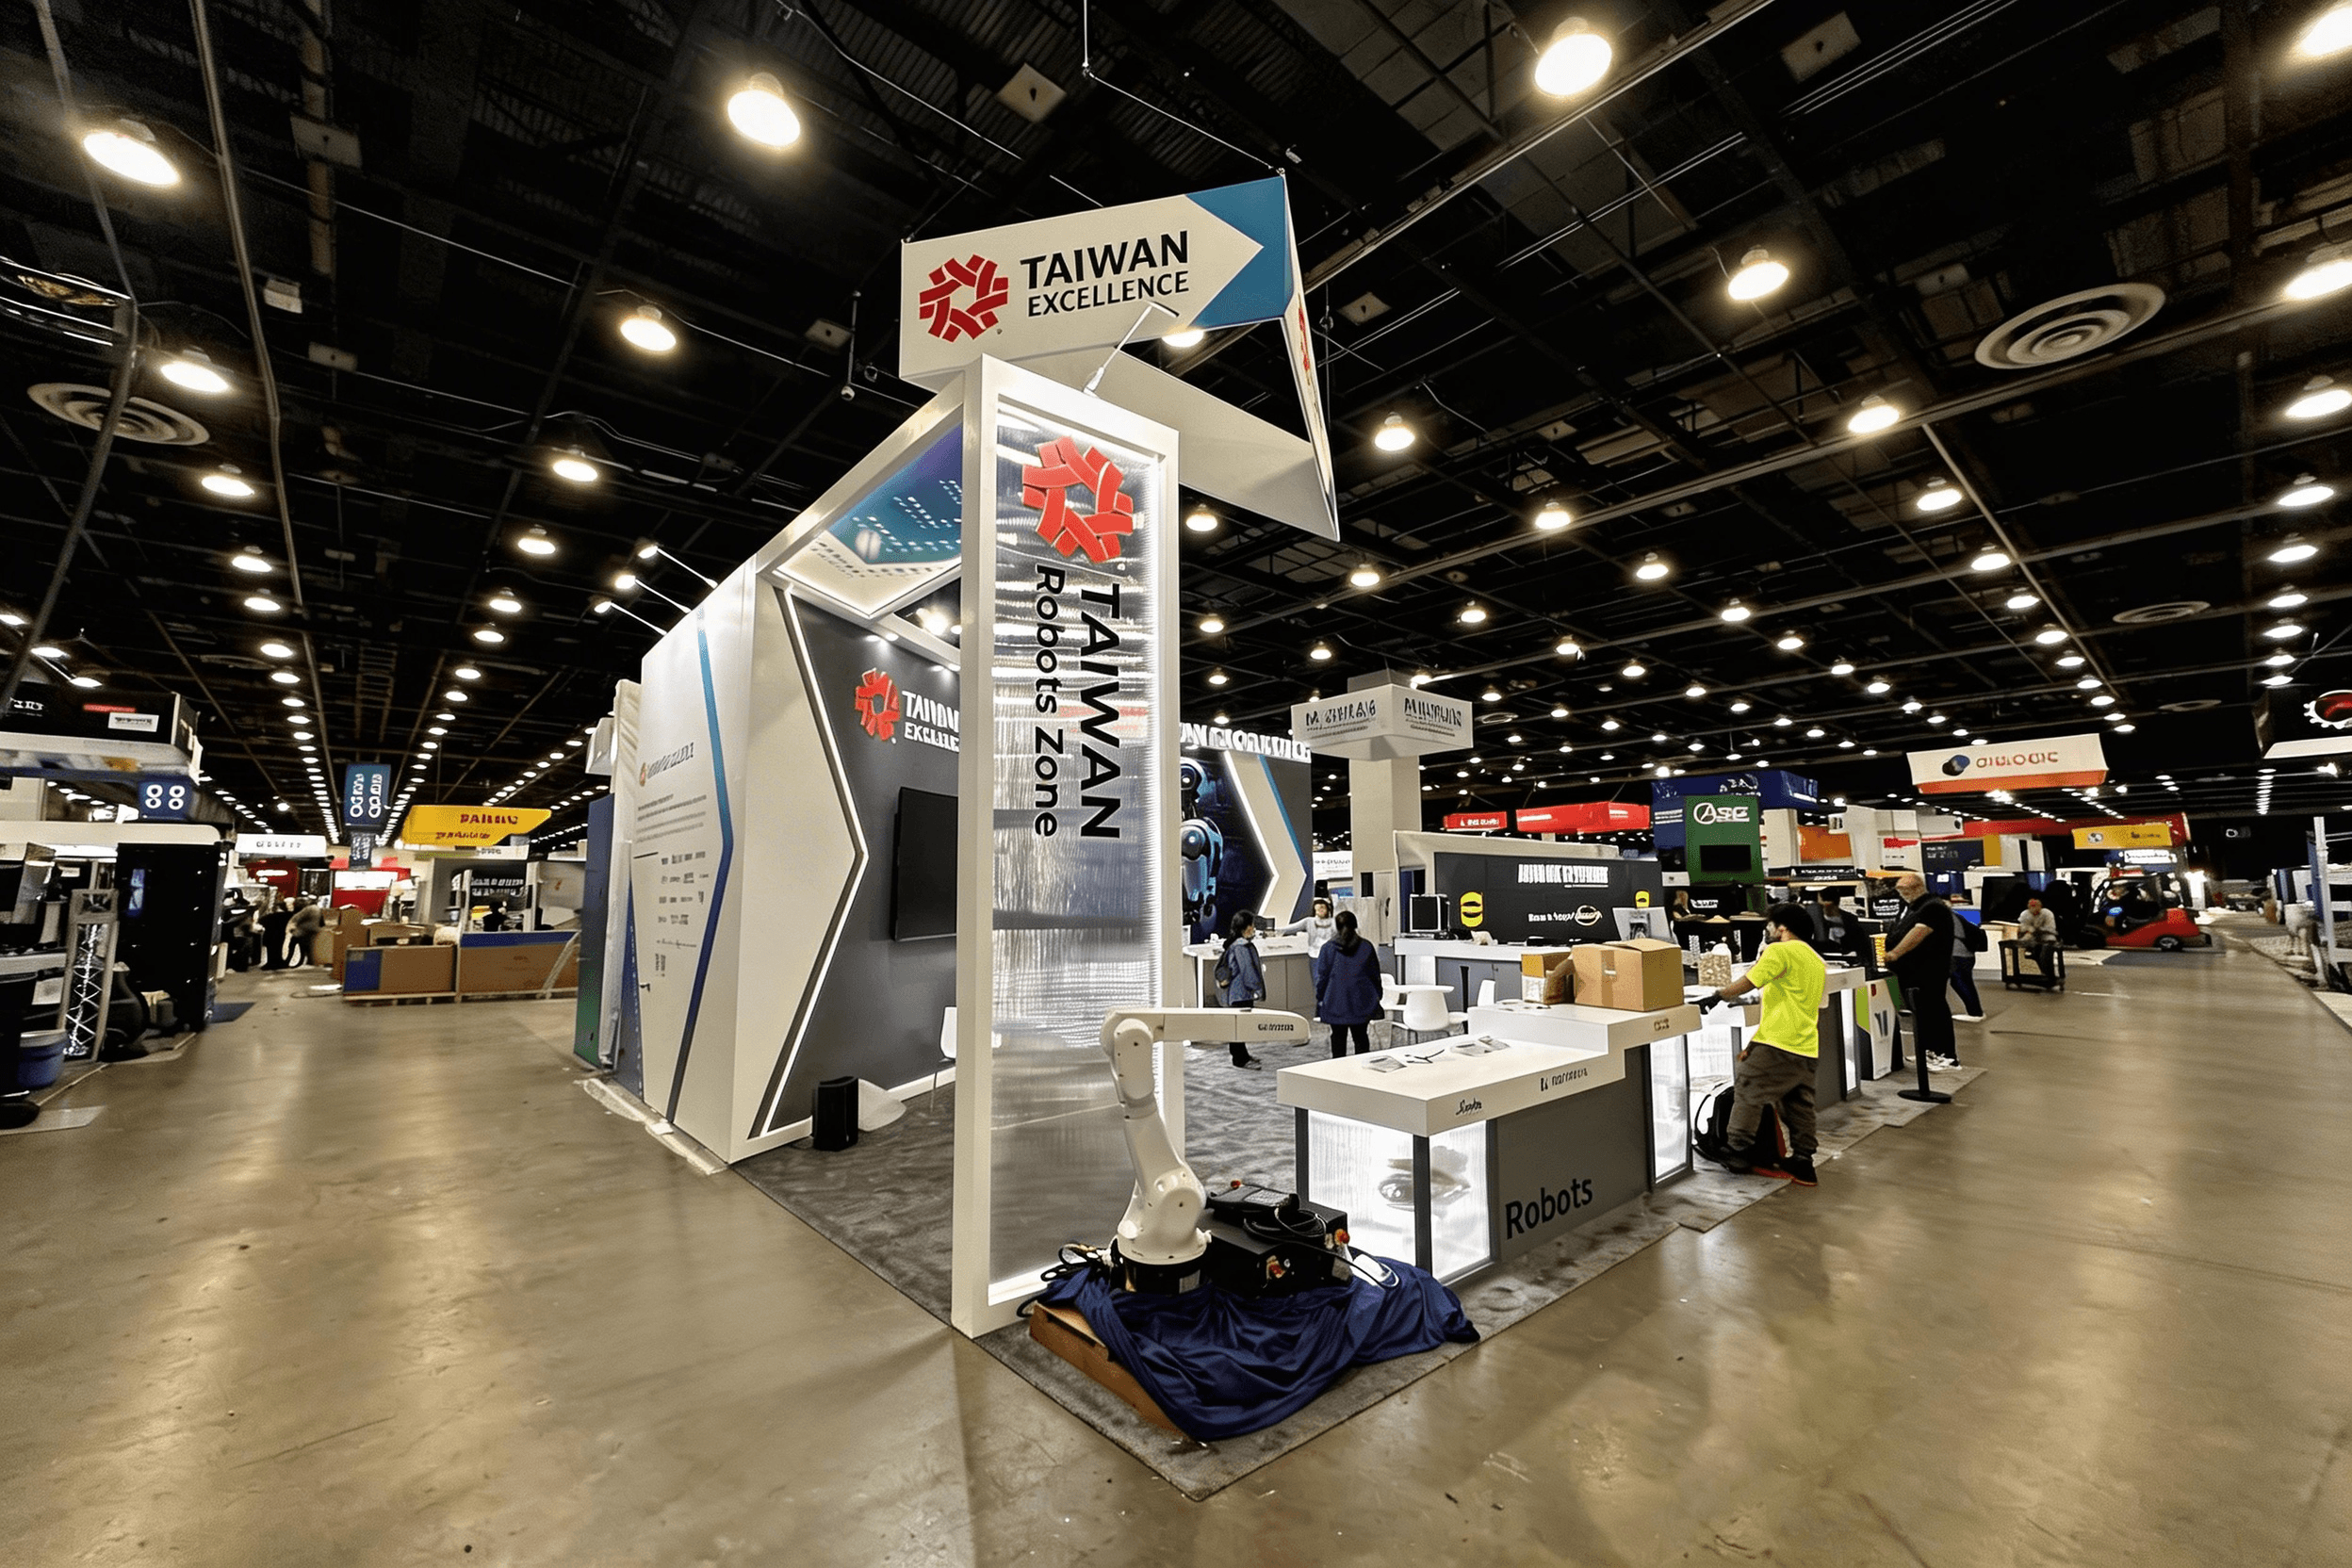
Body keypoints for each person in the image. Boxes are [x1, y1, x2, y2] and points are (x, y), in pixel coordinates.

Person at [1700, 902, 1826, 1185]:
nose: (1766, 930)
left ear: (1782, 928)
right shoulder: (1815, 959)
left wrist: (1718, 996)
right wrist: (1754, 1044)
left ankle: (1737, 1150)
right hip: (1806, 1045)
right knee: (1798, 1104)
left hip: (1778, 1044)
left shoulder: (1779, 950)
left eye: (1769, 925)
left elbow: (1749, 982)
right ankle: (1803, 1161)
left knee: (1748, 1087)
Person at [1884, 873, 1960, 1070]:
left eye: (1904, 890)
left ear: (1916, 888)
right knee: (1922, 1014)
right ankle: (1928, 1052)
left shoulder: (1932, 907)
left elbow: (1918, 933)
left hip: (1928, 972)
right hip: (1914, 973)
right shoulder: (1915, 908)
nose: (1901, 895)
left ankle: (1946, 1056)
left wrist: (1895, 953)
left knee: (1933, 1011)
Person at [1311, 909, 1384, 1057]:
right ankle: (1361, 1074)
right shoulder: (1366, 947)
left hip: (1335, 1002)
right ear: (1355, 925)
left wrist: (1320, 998)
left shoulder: (1328, 948)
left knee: (1337, 1039)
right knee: (1361, 1038)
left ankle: (1340, 1074)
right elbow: (1374, 975)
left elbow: (1322, 978)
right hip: (1362, 1002)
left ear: (1336, 927)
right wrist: (1378, 995)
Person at [1217, 908, 1266, 1069]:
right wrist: (1256, 988)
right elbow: (1247, 970)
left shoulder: (1235, 944)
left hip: (1237, 992)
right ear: (1247, 927)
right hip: (1241, 993)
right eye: (1252, 925)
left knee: (1238, 1026)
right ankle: (1240, 1059)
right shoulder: (1241, 947)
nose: (1254, 928)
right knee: (1239, 1027)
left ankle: (1242, 1056)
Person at [1948, 904, 1988, 1023]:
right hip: (1966, 954)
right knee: (1962, 982)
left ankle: (1975, 1013)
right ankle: (1975, 1011)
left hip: (1957, 955)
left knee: (1960, 982)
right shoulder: (1956, 916)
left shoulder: (1944, 918)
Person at [1273, 896, 1338, 956]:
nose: (1321, 910)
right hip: (1316, 954)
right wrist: (1274, 930)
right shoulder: (1309, 921)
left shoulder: (1334, 922)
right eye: (1318, 909)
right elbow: (1291, 928)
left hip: (1330, 954)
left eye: (1323, 908)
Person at [2017, 896, 2061, 976]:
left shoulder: (2047, 913)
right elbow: (2021, 927)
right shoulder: (2025, 914)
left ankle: (2049, 974)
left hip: (2046, 938)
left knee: (2045, 952)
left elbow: (2051, 929)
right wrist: (2028, 930)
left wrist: (2037, 929)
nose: (2033, 909)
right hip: (2032, 939)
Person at [259, 895, 293, 971]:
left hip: (270, 935)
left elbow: (261, 921)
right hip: (281, 935)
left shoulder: (271, 916)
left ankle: (271, 963)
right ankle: (278, 962)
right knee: (278, 949)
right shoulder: (287, 915)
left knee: (271, 950)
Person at [289, 897, 326, 967]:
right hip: (313, 930)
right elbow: (322, 922)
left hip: (304, 931)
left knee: (296, 945)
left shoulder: (309, 909)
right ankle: (309, 961)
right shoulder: (318, 909)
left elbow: (298, 917)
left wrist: (294, 925)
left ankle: (291, 961)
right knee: (308, 947)